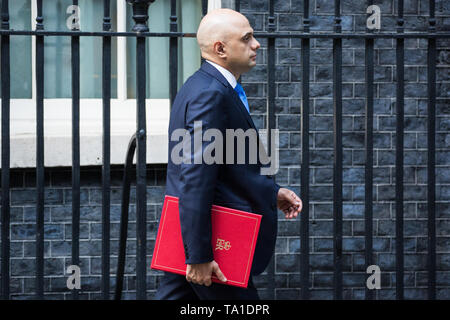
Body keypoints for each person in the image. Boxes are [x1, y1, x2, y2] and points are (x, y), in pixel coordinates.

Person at [155, 8, 302, 300]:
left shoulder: (210, 86)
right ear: (220, 48)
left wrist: (271, 192)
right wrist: (198, 255)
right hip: (216, 244)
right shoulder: (211, 93)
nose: (256, 44)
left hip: (201, 237)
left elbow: (226, 167)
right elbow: (196, 176)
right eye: (247, 38)